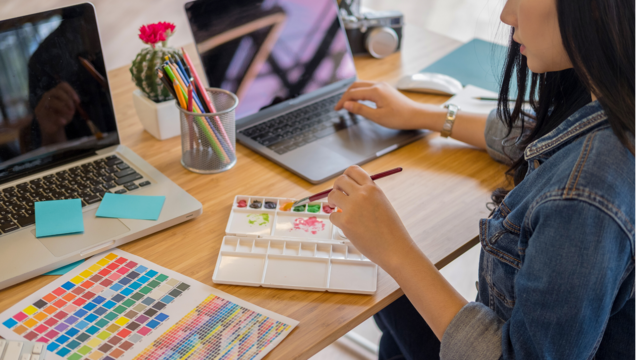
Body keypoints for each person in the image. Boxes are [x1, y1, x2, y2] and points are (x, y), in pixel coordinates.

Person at [328, 0, 635, 357]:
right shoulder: (616, 99)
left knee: (387, 287)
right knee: (394, 310)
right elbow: (544, 132)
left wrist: (395, 250)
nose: (506, 15)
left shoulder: (584, 195)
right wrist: (425, 115)